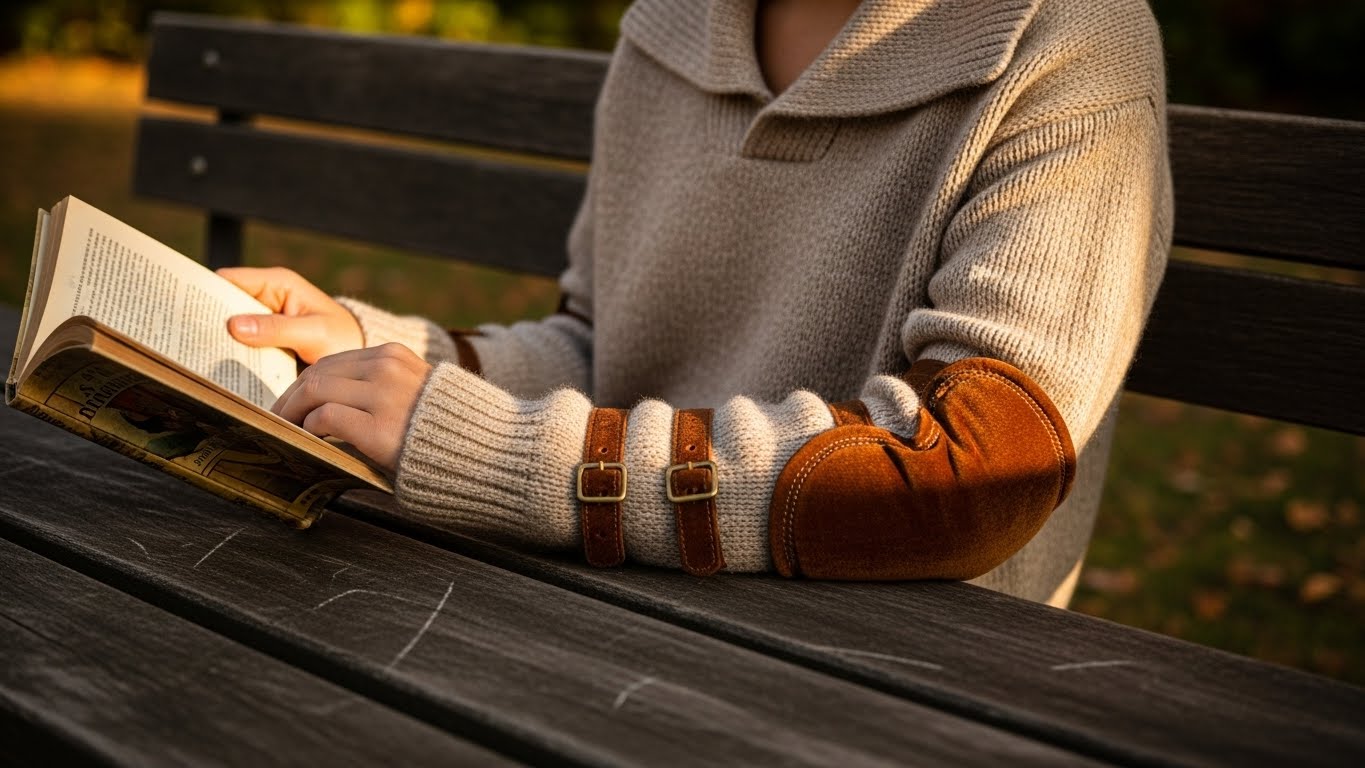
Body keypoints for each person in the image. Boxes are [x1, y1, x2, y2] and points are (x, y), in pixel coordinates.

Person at [220, 0, 1171, 607]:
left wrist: (518, 457)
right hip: (618, 589)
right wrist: (373, 351)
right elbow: (604, 346)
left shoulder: (1066, 39)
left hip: (892, 649)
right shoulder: (667, 26)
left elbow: (972, 472)